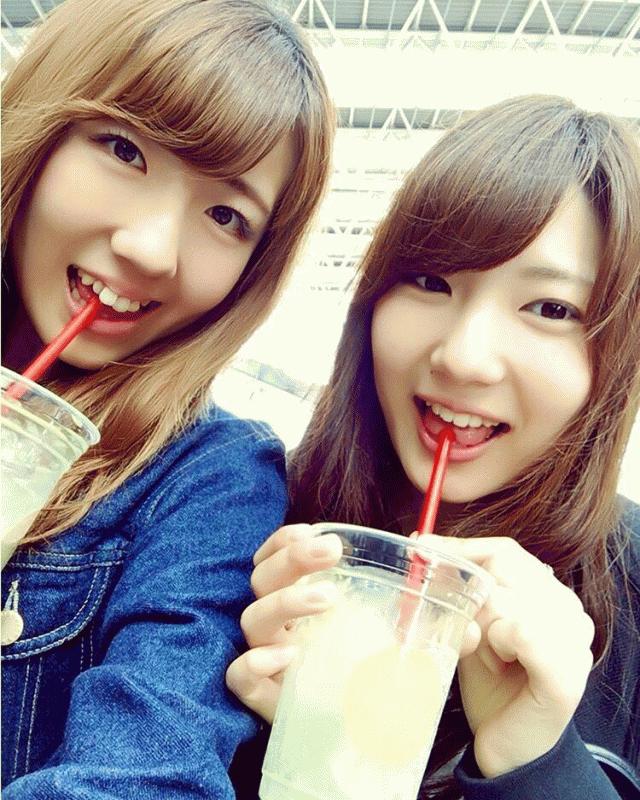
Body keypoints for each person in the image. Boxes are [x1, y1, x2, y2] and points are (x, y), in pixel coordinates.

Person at [226, 95, 640, 799]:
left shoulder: (632, 587)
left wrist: (536, 763)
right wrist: (269, 744)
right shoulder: (242, 518)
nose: (463, 357)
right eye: (430, 281)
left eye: (549, 309)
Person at [1, 1, 334, 797]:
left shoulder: (211, 481)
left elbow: (151, 771)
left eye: (225, 215)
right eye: (124, 149)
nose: (151, 249)